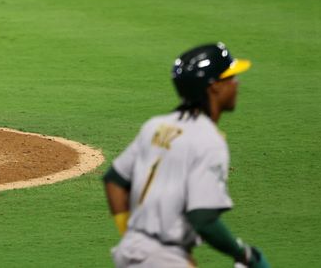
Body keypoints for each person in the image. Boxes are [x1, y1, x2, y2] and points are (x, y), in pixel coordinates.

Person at [103, 43, 270, 267]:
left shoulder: (156, 126)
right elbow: (203, 219)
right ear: (214, 87)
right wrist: (244, 254)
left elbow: (114, 180)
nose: (236, 83)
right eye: (230, 78)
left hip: (129, 252)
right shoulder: (209, 141)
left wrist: (132, 236)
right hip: (164, 258)